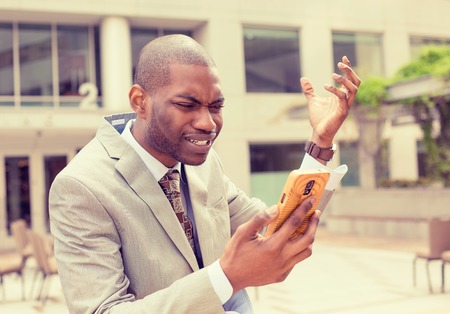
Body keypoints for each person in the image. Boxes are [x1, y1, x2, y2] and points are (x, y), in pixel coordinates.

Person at [49, 34, 360, 314]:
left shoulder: (204, 161)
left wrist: (320, 142)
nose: (208, 123)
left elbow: (278, 231)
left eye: (216, 106)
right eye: (188, 104)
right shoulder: (81, 187)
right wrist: (227, 277)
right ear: (139, 101)